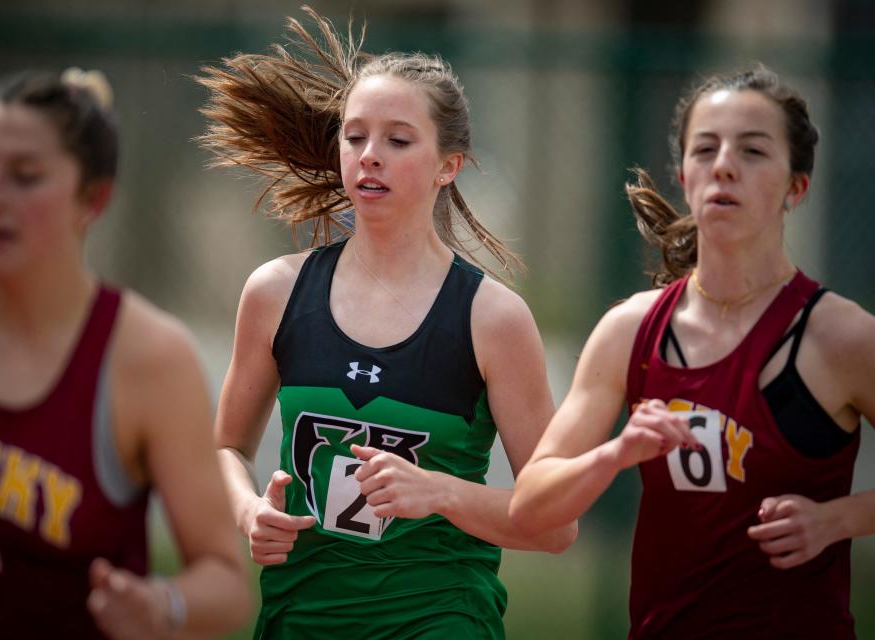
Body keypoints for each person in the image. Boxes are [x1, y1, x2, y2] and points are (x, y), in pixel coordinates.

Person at [198, 8, 577, 639]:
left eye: (398, 141)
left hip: (439, 616)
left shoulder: (491, 317)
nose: (370, 156)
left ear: (448, 165)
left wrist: (438, 492)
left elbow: (556, 523)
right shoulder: (276, 291)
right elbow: (224, 449)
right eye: (354, 137)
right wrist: (246, 510)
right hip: (303, 615)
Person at [510, 64, 875, 638]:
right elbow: (529, 507)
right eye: (706, 148)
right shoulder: (631, 329)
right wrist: (615, 454)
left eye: (753, 151)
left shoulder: (840, 335)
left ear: (796, 186)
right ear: (682, 174)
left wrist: (839, 519)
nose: (724, 164)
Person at [0, 68, 251, 639]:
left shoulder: (148, 357)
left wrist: (161, 604)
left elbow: (229, 586)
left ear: (92, 199)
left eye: (24, 176)